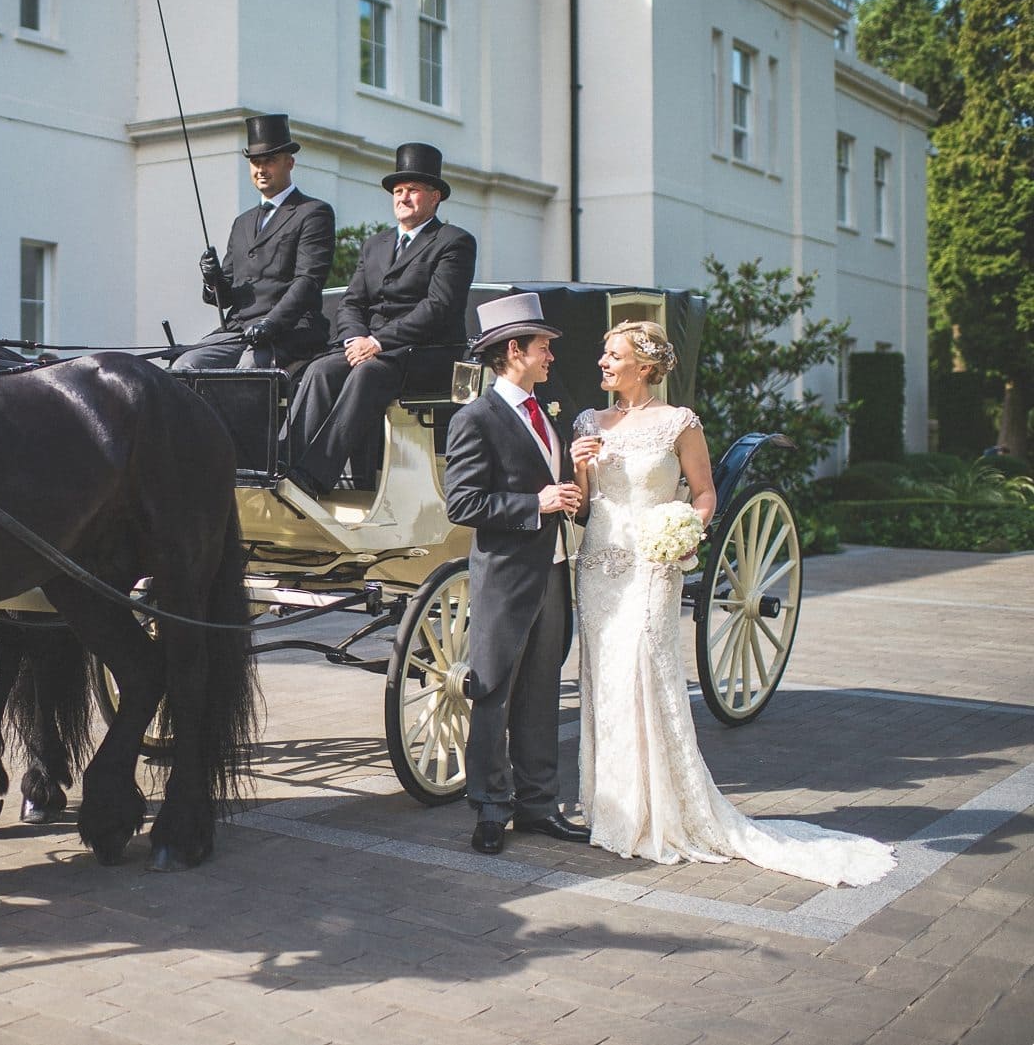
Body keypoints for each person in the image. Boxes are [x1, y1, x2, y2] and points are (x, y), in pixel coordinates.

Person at [570, 322, 895, 885]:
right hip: (599, 564)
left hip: (652, 565)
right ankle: (613, 810)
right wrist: (577, 464)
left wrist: (684, 532)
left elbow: (703, 495)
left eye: (613, 354)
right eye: (603, 353)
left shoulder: (678, 423)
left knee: (645, 667)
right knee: (604, 677)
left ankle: (662, 811)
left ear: (645, 367)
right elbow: (586, 498)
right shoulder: (587, 423)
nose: (602, 361)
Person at [442, 293, 589, 855]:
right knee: (494, 693)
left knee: (542, 692)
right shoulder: (474, 418)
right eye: (543, 346)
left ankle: (537, 806)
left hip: (552, 574)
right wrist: (537, 503)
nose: (551, 355)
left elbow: (554, 486)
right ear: (513, 351)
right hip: (504, 576)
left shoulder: (547, 413)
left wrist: (575, 486)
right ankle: (489, 810)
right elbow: (464, 502)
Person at [283, 142, 475, 497]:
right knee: (321, 370)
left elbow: (438, 307)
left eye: (413, 190)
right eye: (398, 191)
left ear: (435, 197)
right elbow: (351, 302)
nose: (403, 197)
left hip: (424, 353)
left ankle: (313, 476)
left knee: (368, 373)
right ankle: (285, 463)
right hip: (371, 347)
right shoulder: (375, 245)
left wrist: (377, 342)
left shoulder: (453, 242)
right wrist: (356, 339)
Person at [177, 113, 334, 370]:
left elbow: (308, 282)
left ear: (289, 162)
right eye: (255, 162)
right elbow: (225, 297)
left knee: (249, 367)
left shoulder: (313, 212)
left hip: (291, 329)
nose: (261, 169)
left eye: (269, 161)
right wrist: (212, 279)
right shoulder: (242, 223)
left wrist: (272, 322)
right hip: (239, 330)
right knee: (187, 364)